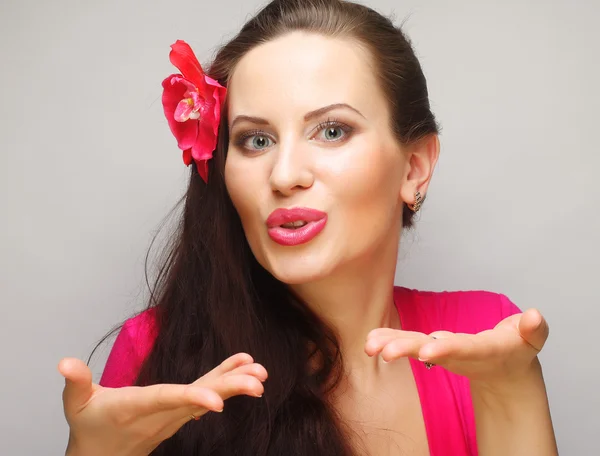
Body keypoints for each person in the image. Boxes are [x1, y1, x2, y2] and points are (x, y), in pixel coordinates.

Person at [57, 0, 558, 455]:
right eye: (255, 140)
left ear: (413, 168)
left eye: (332, 130)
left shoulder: (485, 339)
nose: (284, 174)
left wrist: (512, 390)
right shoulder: (155, 350)